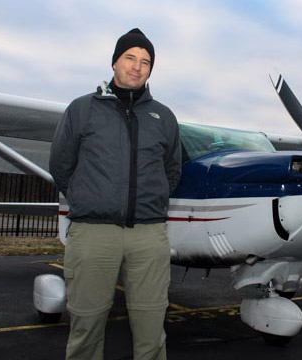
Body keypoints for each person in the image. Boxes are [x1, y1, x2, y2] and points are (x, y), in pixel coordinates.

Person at [49, 28, 181, 360]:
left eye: (146, 61)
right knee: (86, 325)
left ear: (151, 69)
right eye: (130, 58)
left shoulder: (164, 118)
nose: (137, 67)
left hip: (148, 236)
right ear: (114, 63)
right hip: (93, 234)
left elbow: (172, 171)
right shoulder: (81, 109)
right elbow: (62, 165)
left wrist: (149, 203)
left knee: (152, 327)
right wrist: (88, 198)